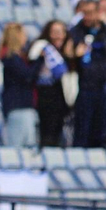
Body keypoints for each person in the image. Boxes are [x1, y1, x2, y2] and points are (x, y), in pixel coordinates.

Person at [69, 0, 106, 148]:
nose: (87, 17)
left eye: (90, 13)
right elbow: (68, 59)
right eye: (84, 13)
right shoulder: (75, 32)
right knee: (82, 133)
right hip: (83, 88)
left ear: (99, 13)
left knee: (101, 133)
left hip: (103, 87)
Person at [33, 19, 72, 147]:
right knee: (47, 134)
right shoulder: (42, 49)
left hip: (61, 99)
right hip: (45, 97)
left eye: (61, 32)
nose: (58, 36)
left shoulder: (66, 52)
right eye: (55, 32)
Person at [0, 23, 39, 147]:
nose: (25, 39)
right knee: (18, 147)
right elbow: (27, 76)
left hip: (23, 106)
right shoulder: (11, 58)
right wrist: (39, 60)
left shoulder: (18, 57)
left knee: (29, 145)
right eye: (23, 35)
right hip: (18, 106)